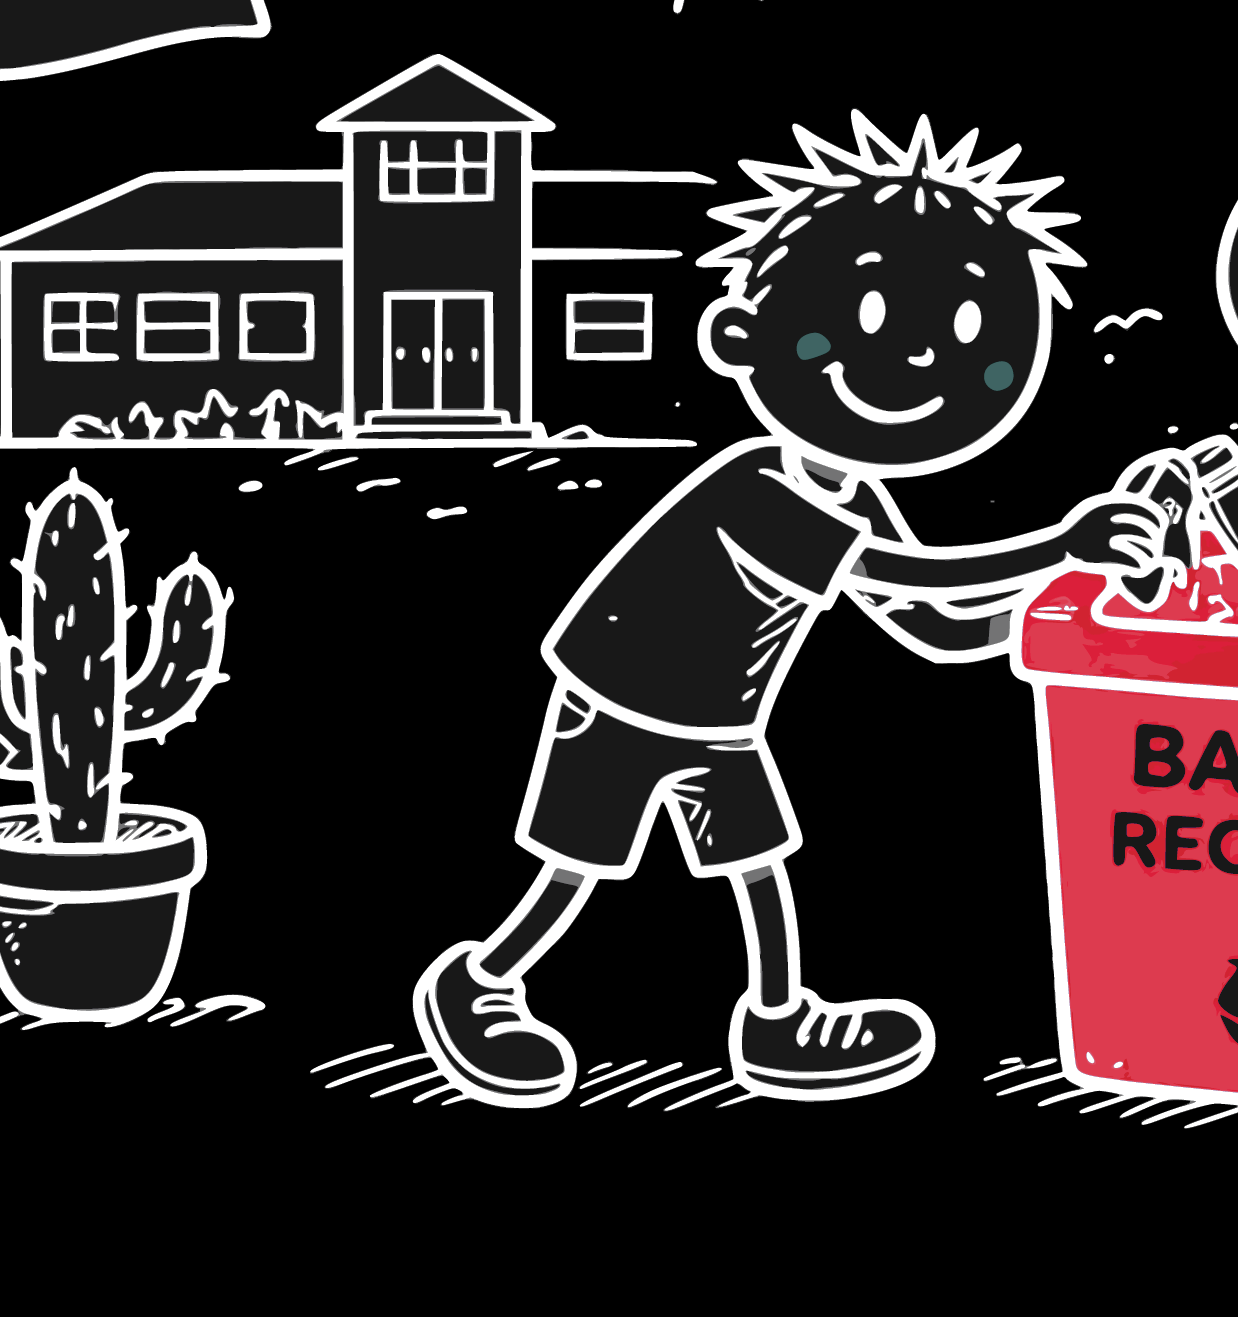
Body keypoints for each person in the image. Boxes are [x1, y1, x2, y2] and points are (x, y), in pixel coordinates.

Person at [414, 115, 1160, 1106]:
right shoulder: (759, 484)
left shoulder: (856, 493)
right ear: (738, 337)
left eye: (968, 339)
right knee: (577, 866)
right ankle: (481, 981)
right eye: (871, 312)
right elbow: (908, 570)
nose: (919, 359)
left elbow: (933, 626)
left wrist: (1059, 609)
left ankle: (777, 1020)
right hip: (622, 699)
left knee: (757, 862)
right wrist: (1061, 546)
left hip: (719, 722)